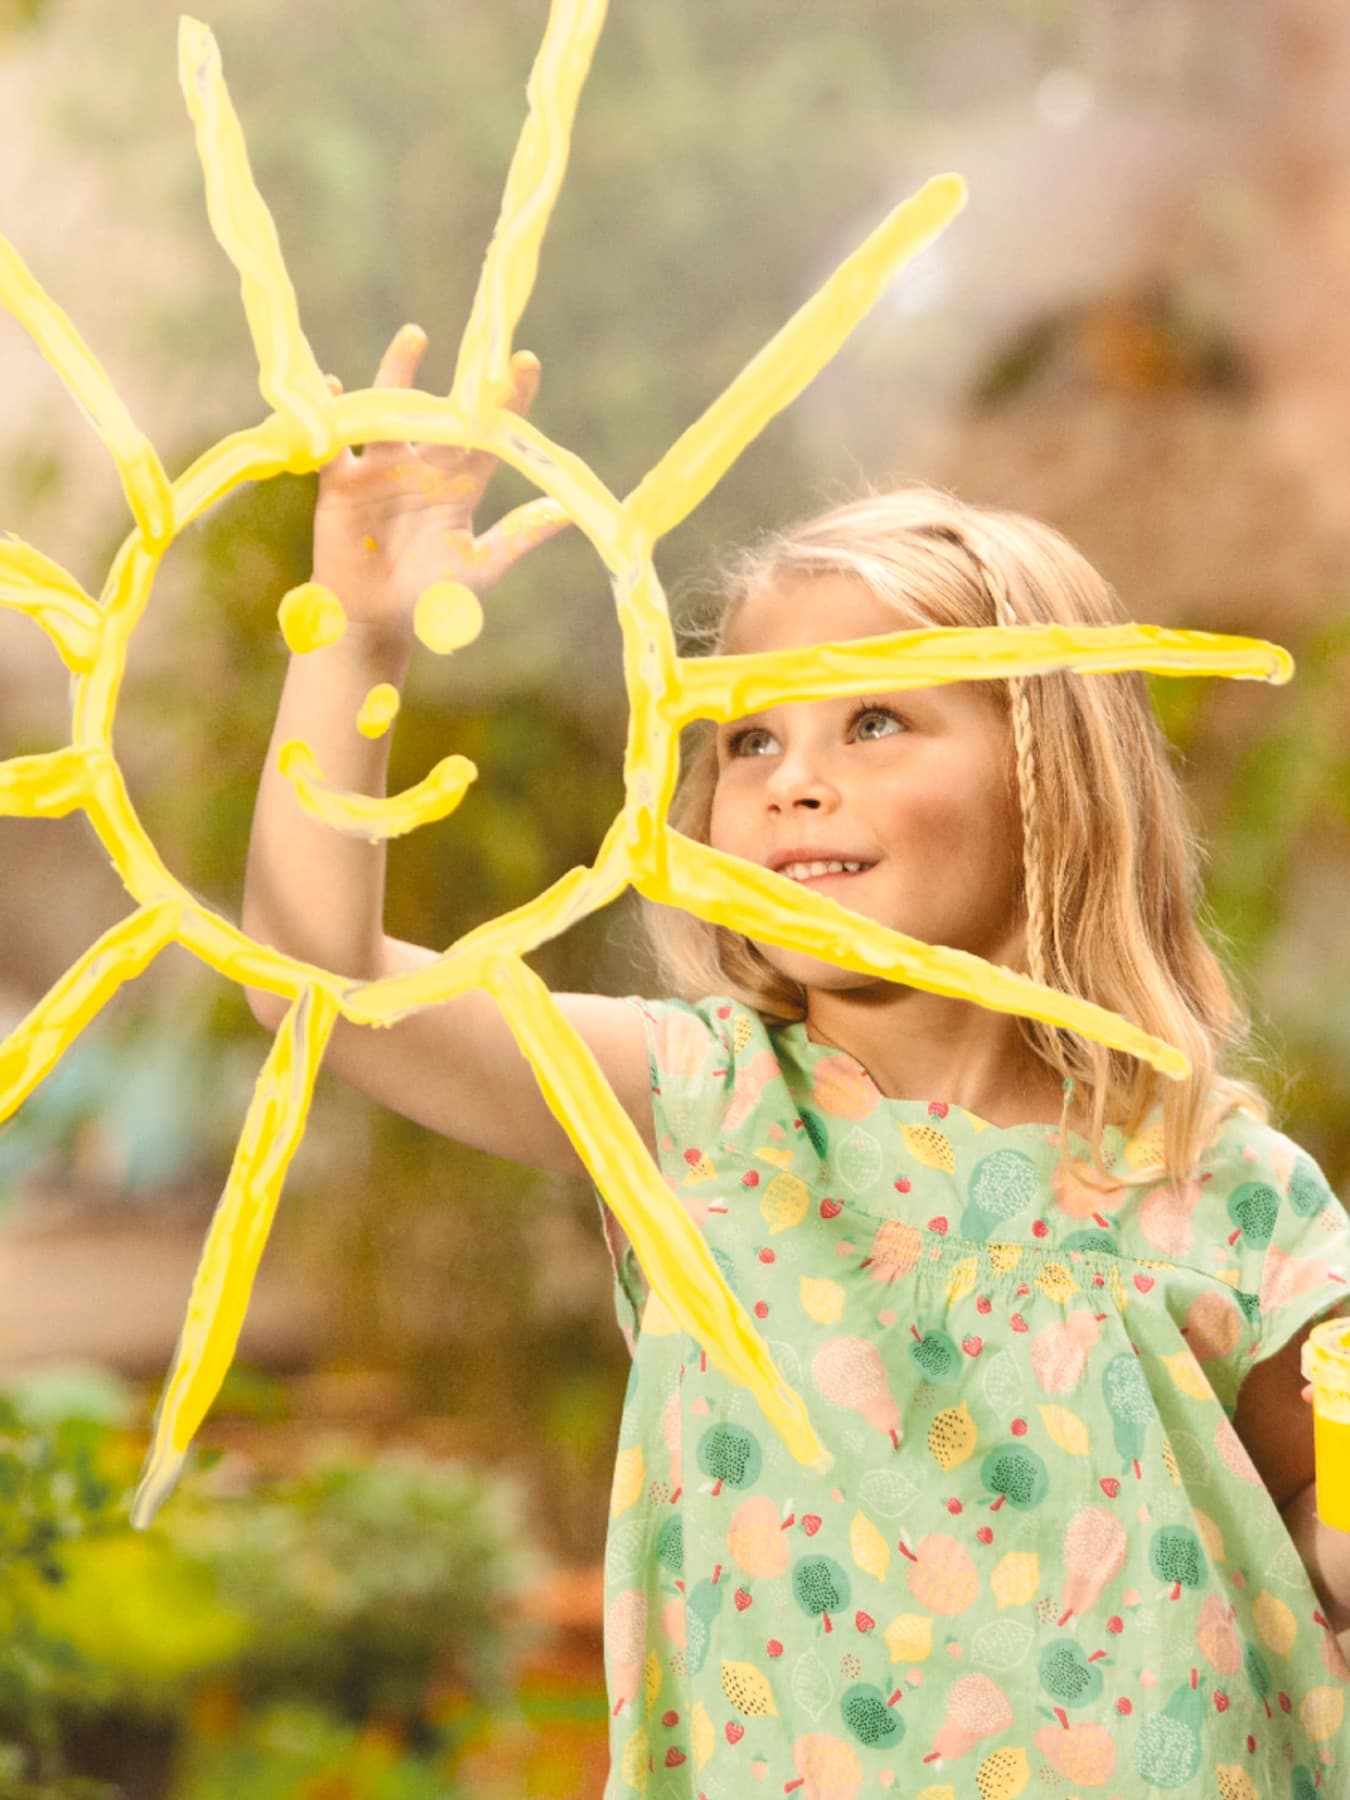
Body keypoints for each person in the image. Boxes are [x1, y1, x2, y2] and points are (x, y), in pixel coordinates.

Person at [242, 324, 1350, 1797]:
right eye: (749, 738)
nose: (794, 777)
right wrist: (356, 637)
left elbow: (1311, 1514)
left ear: (1051, 780)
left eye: (874, 718)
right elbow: (315, 979)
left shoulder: (1223, 1189)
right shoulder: (695, 1109)